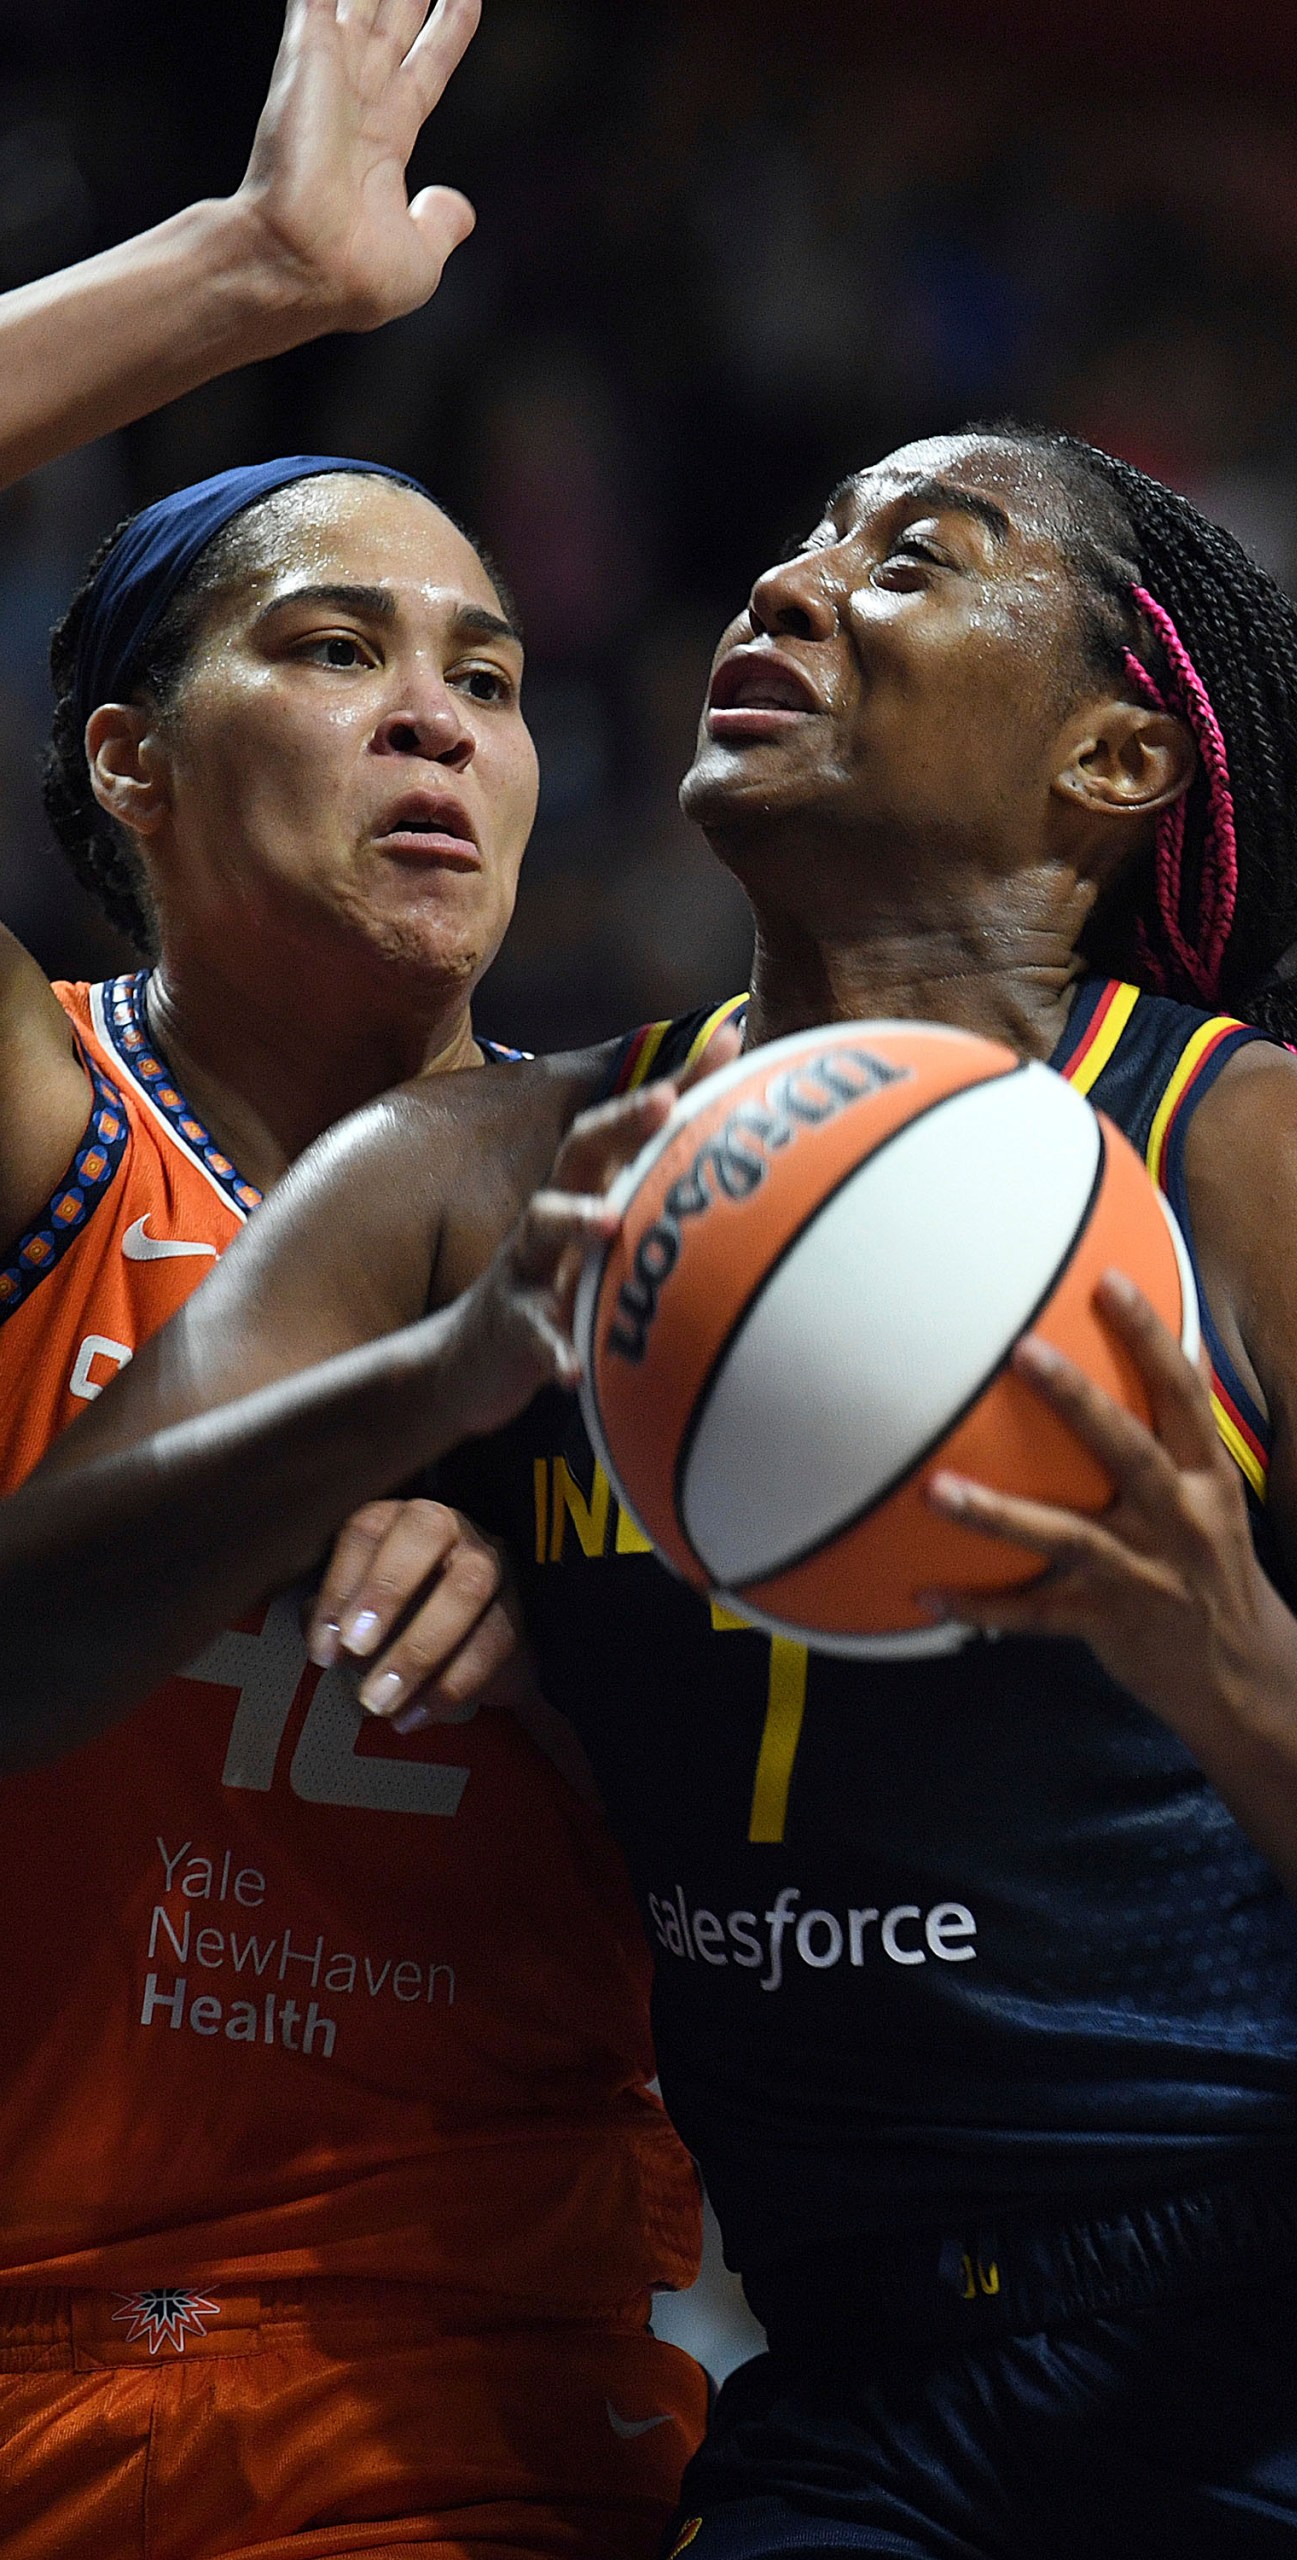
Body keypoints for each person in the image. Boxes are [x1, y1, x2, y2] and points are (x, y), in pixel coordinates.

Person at [10, 424, 1297, 2555]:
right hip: (853, 2400)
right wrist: (440, 1381)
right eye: (794, 540)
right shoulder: (479, 1180)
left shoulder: (1279, 1172)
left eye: (910, 559)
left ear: (1116, 764)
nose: (788, 584)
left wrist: (1227, 1654)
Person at [0, 6, 706, 2556]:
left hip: (488, 2393)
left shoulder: (679, 1185)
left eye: (493, 680)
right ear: (125, 757)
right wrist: (245, 273)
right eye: (330, 648)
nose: (435, 715)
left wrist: (585, 1583)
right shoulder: (56, 1122)